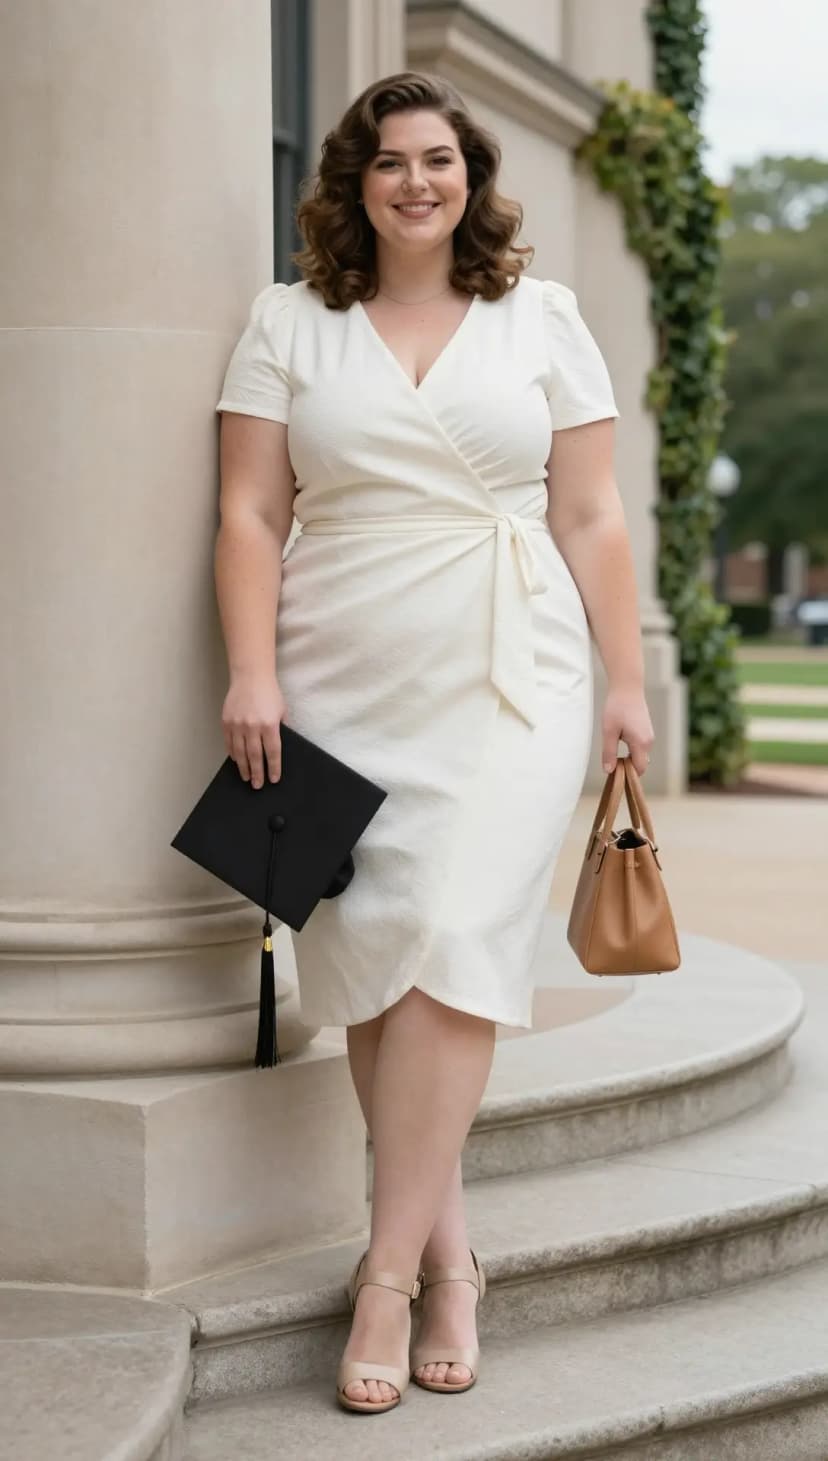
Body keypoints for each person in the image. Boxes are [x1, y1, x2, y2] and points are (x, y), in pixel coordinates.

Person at [213, 70, 654, 1417]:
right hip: (339, 667)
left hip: (510, 664)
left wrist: (626, 680)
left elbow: (591, 517)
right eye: (391, 160)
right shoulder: (290, 320)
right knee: (374, 960)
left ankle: (385, 1277)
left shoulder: (545, 316)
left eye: (441, 160)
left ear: (473, 180)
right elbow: (246, 512)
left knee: (457, 946)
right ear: (354, 182)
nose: (417, 180)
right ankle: (453, 1256)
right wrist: (250, 674)